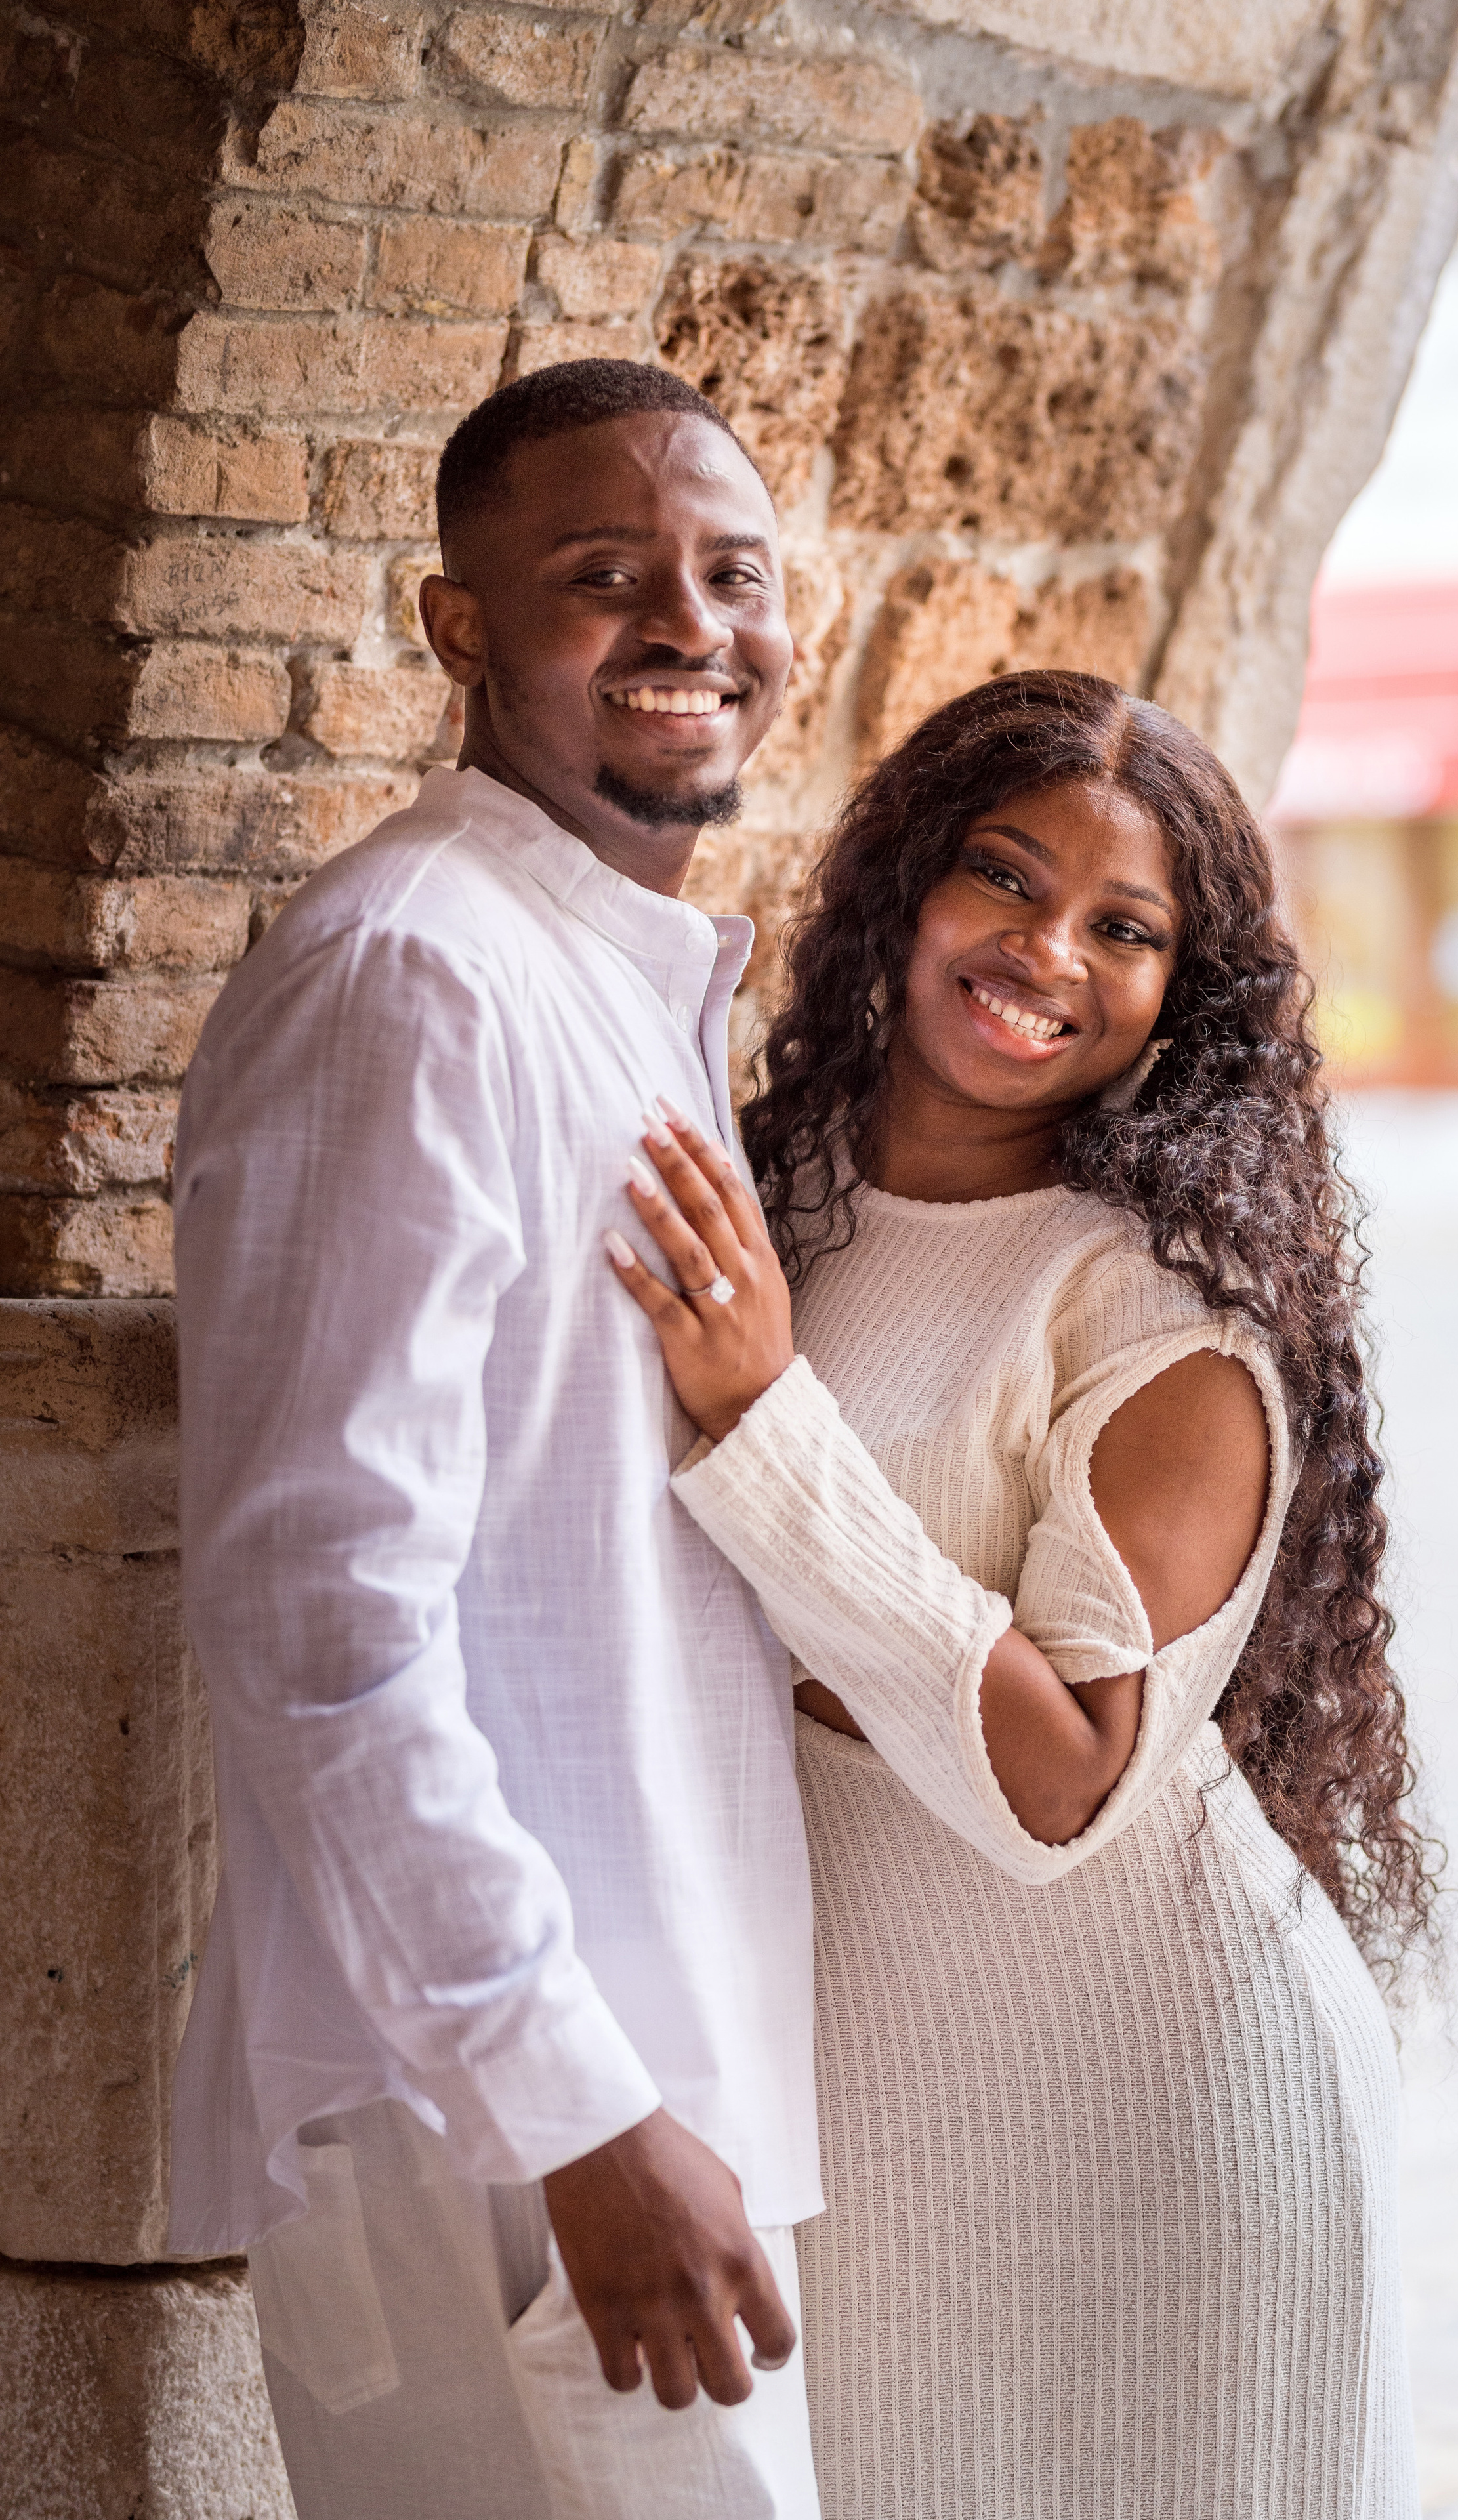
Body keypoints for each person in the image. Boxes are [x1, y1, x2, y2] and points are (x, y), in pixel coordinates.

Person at [610, 673, 1436, 2519]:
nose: (1047, 952)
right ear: (909, 881)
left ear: (1178, 994)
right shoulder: (773, 1196)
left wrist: (765, 1417)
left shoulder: (1157, 1307)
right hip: (864, 2101)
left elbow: (1060, 1784)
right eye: (1005, 874)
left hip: (1160, 2116)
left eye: (1124, 929)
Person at [167, 360, 825, 2519]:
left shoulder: (604, 972)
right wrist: (577, 2109)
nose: (690, 624)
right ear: (462, 627)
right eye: (604, 575)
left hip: (623, 2103)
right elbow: (318, 1615)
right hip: (517, 2138)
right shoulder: (413, 974)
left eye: (733, 573)